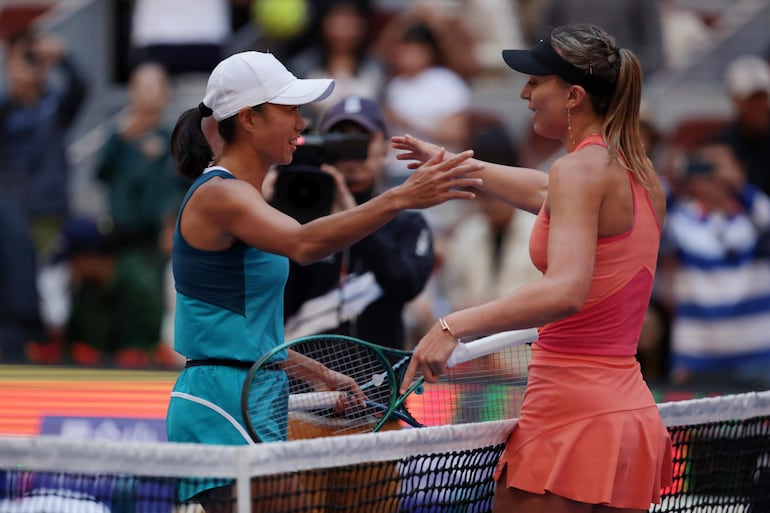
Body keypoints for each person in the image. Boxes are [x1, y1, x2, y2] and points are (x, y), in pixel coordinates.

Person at [163, 50, 482, 511]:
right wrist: (400, 198)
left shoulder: (241, 197)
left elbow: (244, 332)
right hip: (221, 406)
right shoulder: (221, 196)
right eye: (289, 109)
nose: (301, 123)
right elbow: (306, 244)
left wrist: (318, 373)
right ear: (250, 118)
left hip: (254, 396)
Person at [394, 23, 673, 513]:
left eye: (535, 81)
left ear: (574, 96)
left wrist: (452, 325)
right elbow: (546, 195)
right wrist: (452, 165)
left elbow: (565, 291)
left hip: (571, 415)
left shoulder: (578, 172)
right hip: (627, 414)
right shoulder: (638, 172)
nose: (524, 93)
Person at [283, 94, 434, 349]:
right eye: (341, 139)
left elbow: (406, 284)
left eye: (362, 140)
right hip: (302, 379)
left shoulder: (406, 222)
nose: (352, 151)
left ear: (385, 148)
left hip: (379, 378)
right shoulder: (295, 219)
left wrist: (355, 217)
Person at [659, 142, 770, 390]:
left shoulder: (755, 217)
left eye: (719, 167)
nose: (713, 176)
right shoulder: (681, 221)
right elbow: (649, 220)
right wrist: (674, 182)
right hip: (697, 364)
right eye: (704, 167)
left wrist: (741, 186)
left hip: (759, 361)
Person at [0, 29, 88, 263]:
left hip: (53, 214)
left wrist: (62, 56)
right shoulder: (5, 109)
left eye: (33, 58)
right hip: (12, 215)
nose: (29, 66)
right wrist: (14, 93)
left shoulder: (55, 105)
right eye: (23, 59)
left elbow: (82, 87)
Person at [712, 55, 770, 197]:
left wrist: (741, 185)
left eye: (762, 98)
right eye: (751, 99)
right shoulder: (722, 144)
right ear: (735, 99)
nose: (758, 106)